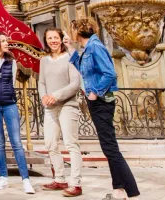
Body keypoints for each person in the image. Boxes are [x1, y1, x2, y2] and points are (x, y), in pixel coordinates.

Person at [69, 19, 139, 200]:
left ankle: (133, 193)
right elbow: (84, 72)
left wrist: (95, 93)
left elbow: (109, 73)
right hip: (97, 101)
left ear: (78, 32)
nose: (70, 34)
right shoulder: (88, 48)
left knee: (110, 148)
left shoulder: (95, 47)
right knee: (108, 147)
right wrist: (71, 49)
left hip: (101, 101)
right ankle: (118, 190)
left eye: (72, 31)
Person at [0, 31, 35, 194]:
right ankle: (3, 177)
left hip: (9, 104)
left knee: (16, 142)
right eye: (3, 40)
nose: (7, 42)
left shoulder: (11, 60)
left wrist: (9, 94)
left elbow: (12, 80)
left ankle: (26, 179)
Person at [39, 29, 83, 197]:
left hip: (67, 104)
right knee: (50, 143)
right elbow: (41, 82)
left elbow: (75, 83)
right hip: (50, 106)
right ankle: (59, 178)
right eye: (49, 38)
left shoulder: (71, 58)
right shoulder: (44, 60)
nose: (52, 41)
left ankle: (76, 183)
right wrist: (44, 97)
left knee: (71, 144)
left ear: (61, 39)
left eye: (55, 37)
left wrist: (55, 96)